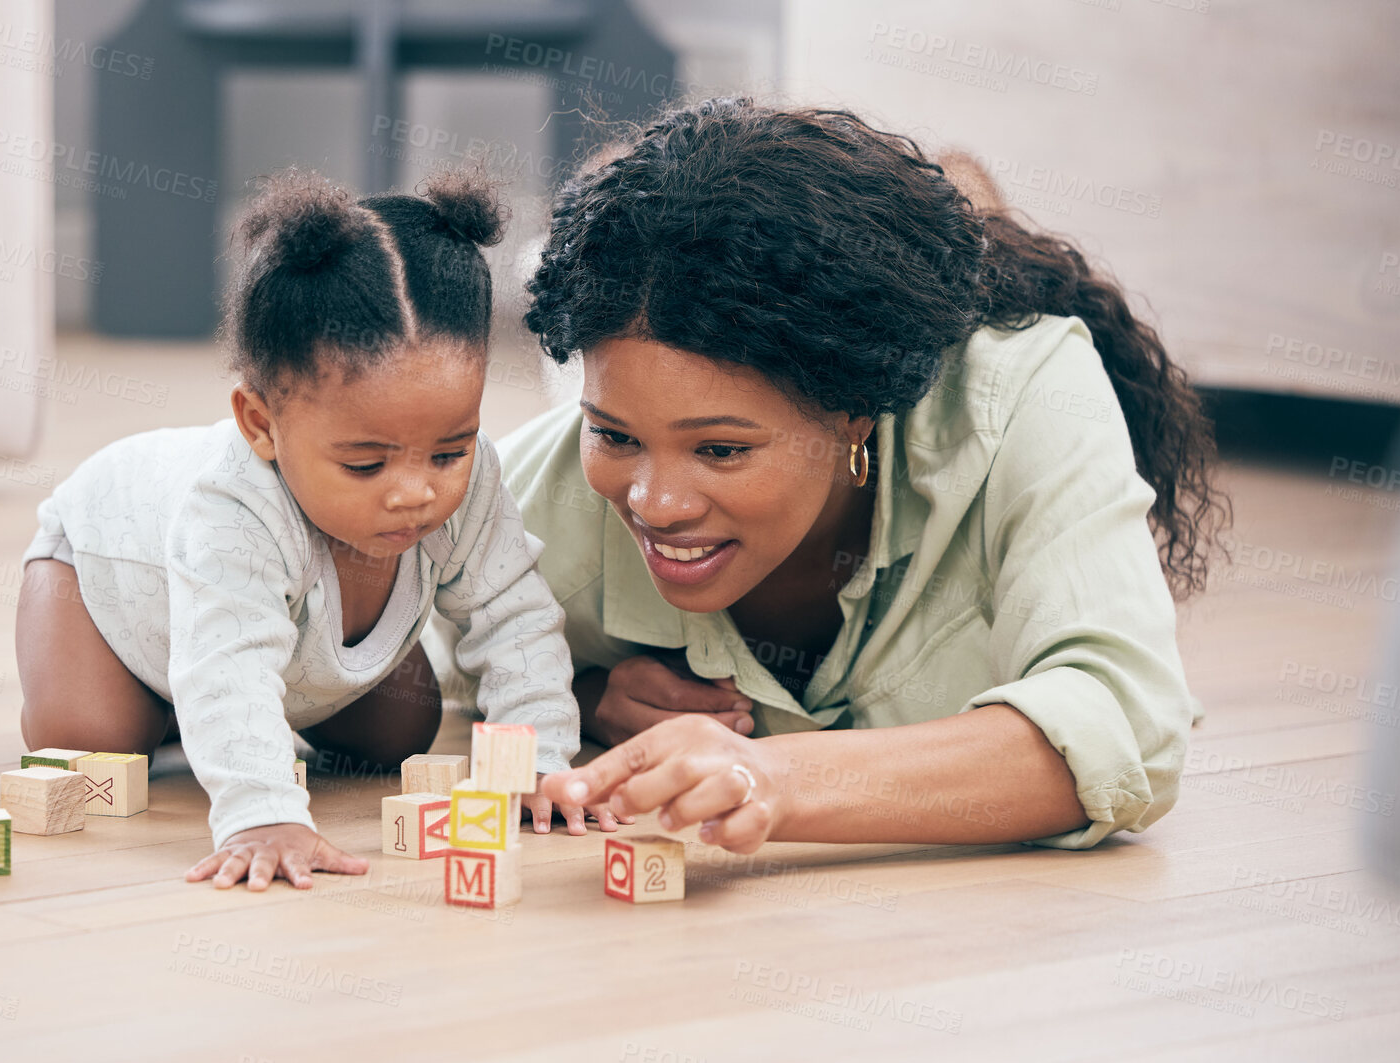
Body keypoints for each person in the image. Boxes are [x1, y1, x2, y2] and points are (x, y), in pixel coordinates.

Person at [455, 98, 1226, 853]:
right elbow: (385, 674)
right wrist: (582, 697)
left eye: (721, 450)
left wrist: (776, 776)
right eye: (614, 433)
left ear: (858, 412)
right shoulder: (540, 492)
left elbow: (1127, 725)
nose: (655, 502)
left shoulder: (1024, 391)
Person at [14, 169, 601, 891]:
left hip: (283, 634)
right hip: (107, 579)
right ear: (262, 425)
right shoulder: (230, 510)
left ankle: (218, 715)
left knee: (396, 734)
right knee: (96, 739)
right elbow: (227, 657)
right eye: (365, 463)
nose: (417, 492)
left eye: (449, 451)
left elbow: (514, 615)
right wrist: (261, 812)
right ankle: (170, 701)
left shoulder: (470, 481)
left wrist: (540, 760)